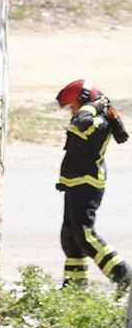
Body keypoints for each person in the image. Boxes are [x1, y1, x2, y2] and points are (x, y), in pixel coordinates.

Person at [55, 79, 130, 289]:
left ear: (84, 103)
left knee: (86, 236)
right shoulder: (91, 116)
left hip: (86, 185)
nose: (72, 112)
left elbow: (82, 122)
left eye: (73, 107)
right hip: (74, 184)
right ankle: (75, 286)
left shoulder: (97, 121)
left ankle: (123, 274)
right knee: (70, 237)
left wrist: (90, 106)